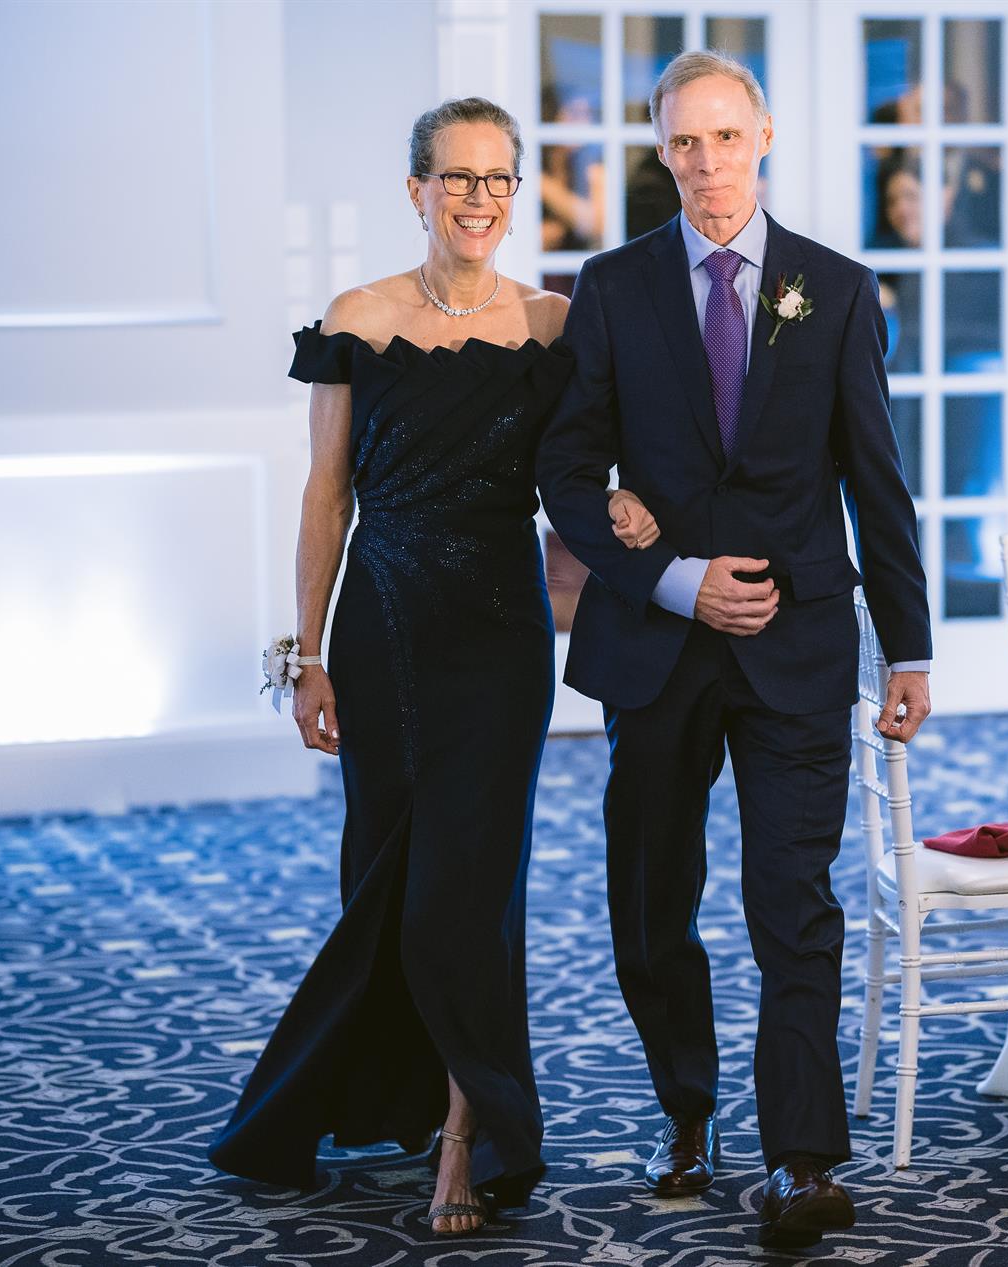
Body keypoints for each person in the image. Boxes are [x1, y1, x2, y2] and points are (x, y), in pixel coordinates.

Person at [208, 96, 659, 1237]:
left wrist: (623, 504)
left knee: (472, 887)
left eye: (498, 178)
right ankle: (381, 1091)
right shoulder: (357, 318)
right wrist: (305, 653)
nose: (478, 198)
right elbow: (326, 495)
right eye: (456, 177)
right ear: (416, 190)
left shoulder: (554, 324)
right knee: (389, 876)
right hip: (384, 634)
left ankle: (467, 1129)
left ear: (517, 191)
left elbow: (583, 467)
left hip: (502, 638)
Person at [537, 51, 933, 1251]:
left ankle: (802, 1157)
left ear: (763, 137)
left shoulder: (839, 289)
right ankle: (686, 1110)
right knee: (652, 901)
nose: (706, 162)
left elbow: (877, 479)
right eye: (683, 142)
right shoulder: (612, 287)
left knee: (792, 903)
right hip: (657, 646)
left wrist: (907, 649)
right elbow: (566, 470)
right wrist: (672, 576)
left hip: (796, 642)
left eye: (724, 136)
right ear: (661, 152)